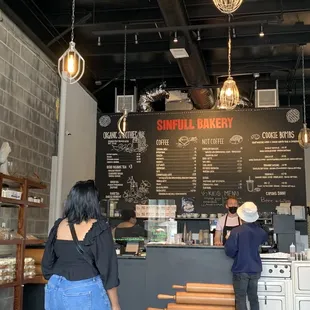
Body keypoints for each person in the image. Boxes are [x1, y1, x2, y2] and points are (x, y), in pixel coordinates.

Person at [42, 180, 121, 310]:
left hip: (54, 287)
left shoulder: (59, 225)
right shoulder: (99, 227)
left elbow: (47, 263)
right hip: (84, 288)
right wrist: (115, 304)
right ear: (94, 202)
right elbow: (108, 270)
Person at [225, 201, 268, 310]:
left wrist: (228, 239)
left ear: (241, 216)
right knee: (253, 298)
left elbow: (230, 251)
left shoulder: (236, 232)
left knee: (240, 299)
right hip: (255, 269)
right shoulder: (261, 232)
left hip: (241, 268)